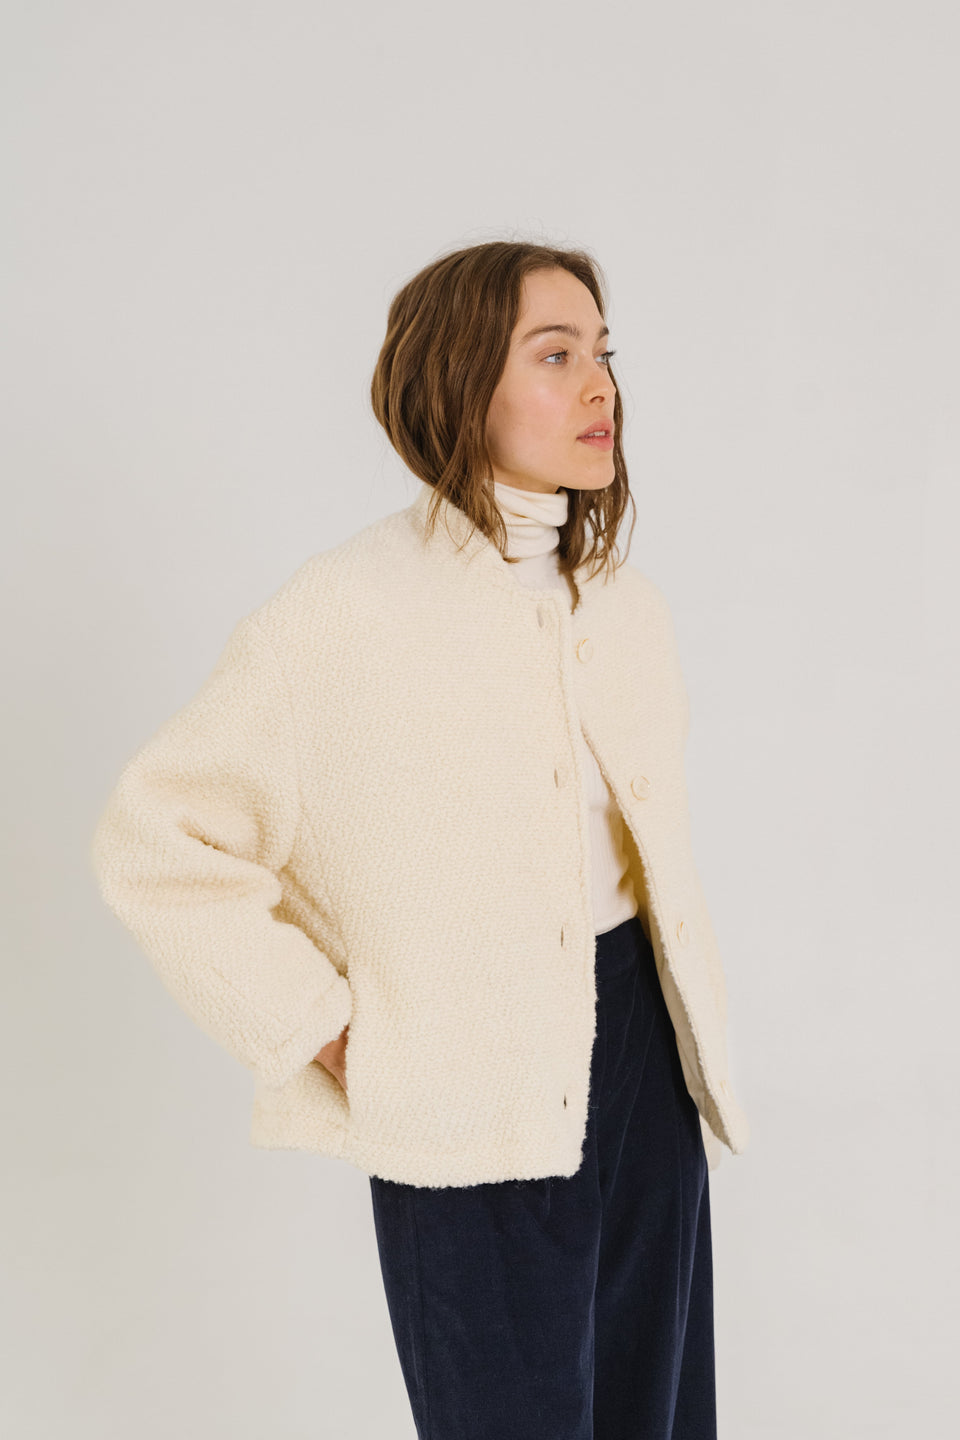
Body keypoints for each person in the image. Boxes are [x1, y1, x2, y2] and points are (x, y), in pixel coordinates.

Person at [91, 240, 749, 1439]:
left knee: (655, 1415)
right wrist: (321, 1027)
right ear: (460, 380)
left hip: (643, 1066)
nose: (600, 385)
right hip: (464, 1086)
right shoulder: (344, 612)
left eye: (604, 353)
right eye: (555, 355)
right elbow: (156, 839)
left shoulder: (626, 605)